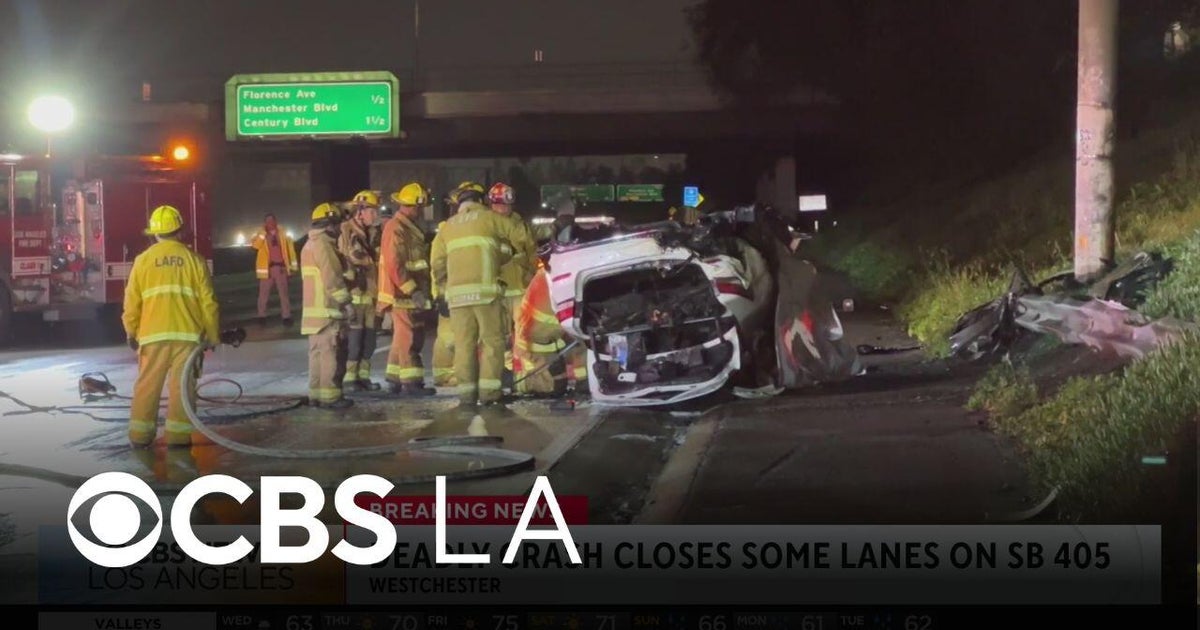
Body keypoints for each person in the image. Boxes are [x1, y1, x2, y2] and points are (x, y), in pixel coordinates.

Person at [122, 205, 220, 448]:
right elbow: (209, 303)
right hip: (186, 338)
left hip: (151, 336)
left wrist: (131, 330)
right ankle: (177, 438)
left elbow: (132, 302)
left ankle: (140, 436)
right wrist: (213, 335)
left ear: (154, 233)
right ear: (180, 231)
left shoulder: (143, 261)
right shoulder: (193, 260)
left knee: (147, 387)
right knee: (182, 389)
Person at [430, 182, 528, 409]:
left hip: (456, 297)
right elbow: (518, 238)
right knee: (493, 343)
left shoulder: (447, 227)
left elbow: (437, 263)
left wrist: (442, 292)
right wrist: (511, 254)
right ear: (480, 201)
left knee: (464, 345)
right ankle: (490, 394)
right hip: (486, 294)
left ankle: (466, 396)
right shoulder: (489, 218)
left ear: (460, 203)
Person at [378, 183, 436, 396]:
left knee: (401, 338)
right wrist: (413, 290)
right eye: (418, 207)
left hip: (409, 292)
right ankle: (412, 383)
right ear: (409, 206)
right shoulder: (397, 228)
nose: (421, 211)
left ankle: (394, 378)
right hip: (402, 293)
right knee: (410, 337)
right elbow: (395, 264)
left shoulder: (407, 227)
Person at [300, 203, 354, 409]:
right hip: (328, 311)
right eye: (338, 223)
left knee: (316, 355)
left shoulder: (309, 244)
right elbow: (332, 278)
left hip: (312, 314)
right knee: (331, 354)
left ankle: (316, 395)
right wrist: (346, 303)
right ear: (330, 224)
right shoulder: (324, 244)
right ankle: (331, 397)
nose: (340, 228)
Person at [513, 253, 587, 397]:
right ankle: (516, 381)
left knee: (582, 345)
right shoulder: (555, 279)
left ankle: (584, 382)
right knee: (554, 388)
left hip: (553, 340)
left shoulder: (552, 272)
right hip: (535, 349)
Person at [486, 182, 538, 385]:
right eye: (500, 204)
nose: (504, 209)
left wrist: (533, 275)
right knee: (499, 335)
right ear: (491, 204)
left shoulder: (519, 224)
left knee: (524, 334)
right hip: (496, 288)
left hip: (519, 288)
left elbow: (532, 252)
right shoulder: (486, 224)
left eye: (508, 205)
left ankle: (526, 376)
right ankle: (504, 374)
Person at [338, 190, 383, 391]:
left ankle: (363, 378)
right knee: (354, 341)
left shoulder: (373, 233)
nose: (375, 215)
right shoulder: (346, 231)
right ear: (360, 211)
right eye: (372, 211)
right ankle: (350, 379)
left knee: (370, 341)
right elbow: (355, 256)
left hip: (371, 295)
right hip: (355, 294)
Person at [251, 213, 298, 327]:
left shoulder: (283, 233)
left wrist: (292, 267)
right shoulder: (260, 234)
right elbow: (255, 246)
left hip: (281, 268)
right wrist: (262, 234)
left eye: (272, 221)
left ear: (276, 221)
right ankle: (261, 316)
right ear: (265, 223)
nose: (270, 223)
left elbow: (290, 249)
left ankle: (286, 317)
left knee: (284, 294)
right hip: (267, 270)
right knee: (263, 294)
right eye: (268, 221)